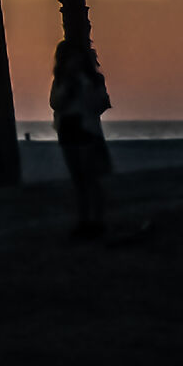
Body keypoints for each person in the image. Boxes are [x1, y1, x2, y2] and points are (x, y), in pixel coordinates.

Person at [50, 40, 112, 240]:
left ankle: (97, 220)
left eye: (75, 57)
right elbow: (55, 103)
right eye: (69, 58)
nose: (73, 61)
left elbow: (101, 103)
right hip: (68, 129)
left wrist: (84, 89)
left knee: (90, 177)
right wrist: (68, 88)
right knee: (78, 179)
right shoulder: (61, 80)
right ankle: (84, 220)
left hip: (86, 130)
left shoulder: (93, 79)